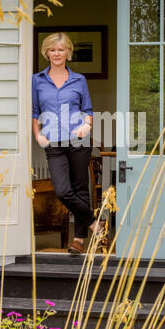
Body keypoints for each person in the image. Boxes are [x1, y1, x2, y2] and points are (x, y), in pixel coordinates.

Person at [32, 32, 107, 254]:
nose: (57, 53)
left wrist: (88, 125)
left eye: (61, 49)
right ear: (46, 53)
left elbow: (88, 109)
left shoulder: (79, 80)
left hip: (78, 139)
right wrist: (37, 135)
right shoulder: (37, 80)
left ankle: (79, 241)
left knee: (80, 188)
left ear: (68, 53)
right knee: (63, 190)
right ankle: (95, 224)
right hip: (53, 141)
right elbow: (35, 112)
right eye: (53, 49)